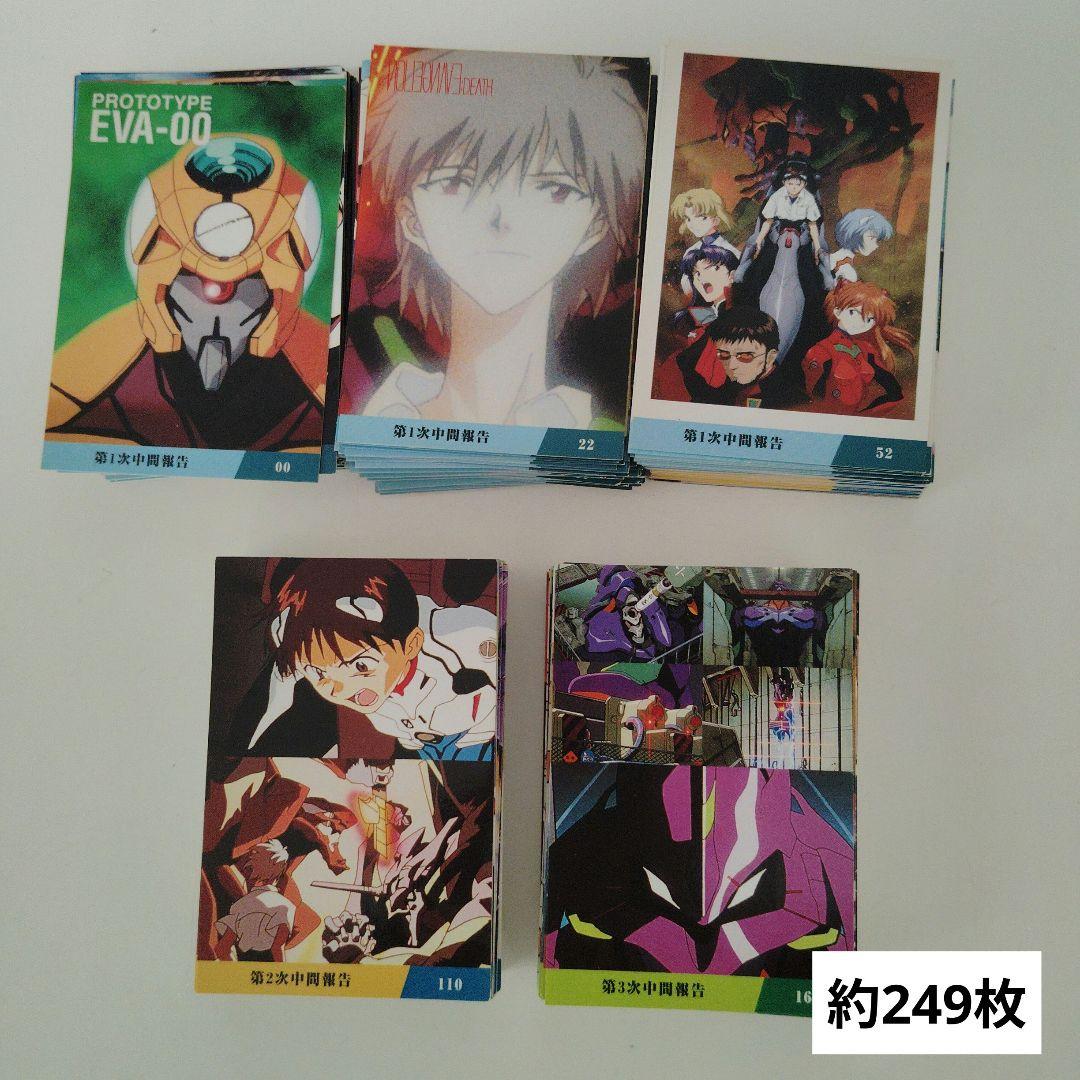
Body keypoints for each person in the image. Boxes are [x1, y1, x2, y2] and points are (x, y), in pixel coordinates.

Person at [350, 50, 647, 429]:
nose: (501, 219)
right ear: (412, 220)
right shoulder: (377, 419)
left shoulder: (605, 437)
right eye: (456, 183)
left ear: (595, 226)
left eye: (554, 189)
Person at [46, 135, 328, 451]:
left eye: (247, 286)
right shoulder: (107, 353)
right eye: (190, 280)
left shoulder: (319, 361)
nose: (219, 305)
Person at [232, 559, 499, 761]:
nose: (337, 688)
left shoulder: (457, 643)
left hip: (476, 739)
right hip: (417, 745)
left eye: (360, 666)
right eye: (319, 673)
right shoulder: (311, 652)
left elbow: (487, 637)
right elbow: (281, 685)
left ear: (411, 645)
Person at [802, 280, 915, 415]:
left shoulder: (866, 350)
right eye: (853, 312)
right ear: (838, 312)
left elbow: (895, 394)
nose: (860, 323)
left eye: (869, 319)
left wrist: (864, 416)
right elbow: (810, 396)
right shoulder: (822, 351)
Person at [213, 840, 295, 962]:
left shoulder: (241, 905)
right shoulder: (285, 906)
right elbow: (277, 948)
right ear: (280, 870)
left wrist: (235, 970)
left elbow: (222, 949)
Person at [669, 188, 740, 296]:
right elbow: (686, 286)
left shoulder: (729, 251)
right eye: (688, 219)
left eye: (702, 218)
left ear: (716, 219)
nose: (693, 223)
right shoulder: (691, 250)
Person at [830, 208, 894, 282]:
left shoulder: (842, 259)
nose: (876, 245)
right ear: (855, 234)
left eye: (877, 240)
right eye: (871, 238)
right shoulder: (843, 268)